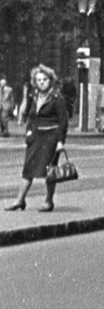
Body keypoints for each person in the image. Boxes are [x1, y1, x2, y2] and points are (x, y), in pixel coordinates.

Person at [6, 64, 69, 212]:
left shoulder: (57, 97)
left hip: (52, 137)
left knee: (50, 170)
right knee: (28, 168)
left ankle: (48, 201)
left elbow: (63, 122)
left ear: (51, 80)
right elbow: (30, 117)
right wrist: (29, 133)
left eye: (45, 79)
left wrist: (60, 142)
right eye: (38, 80)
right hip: (36, 136)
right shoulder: (34, 96)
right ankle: (20, 200)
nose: (41, 82)